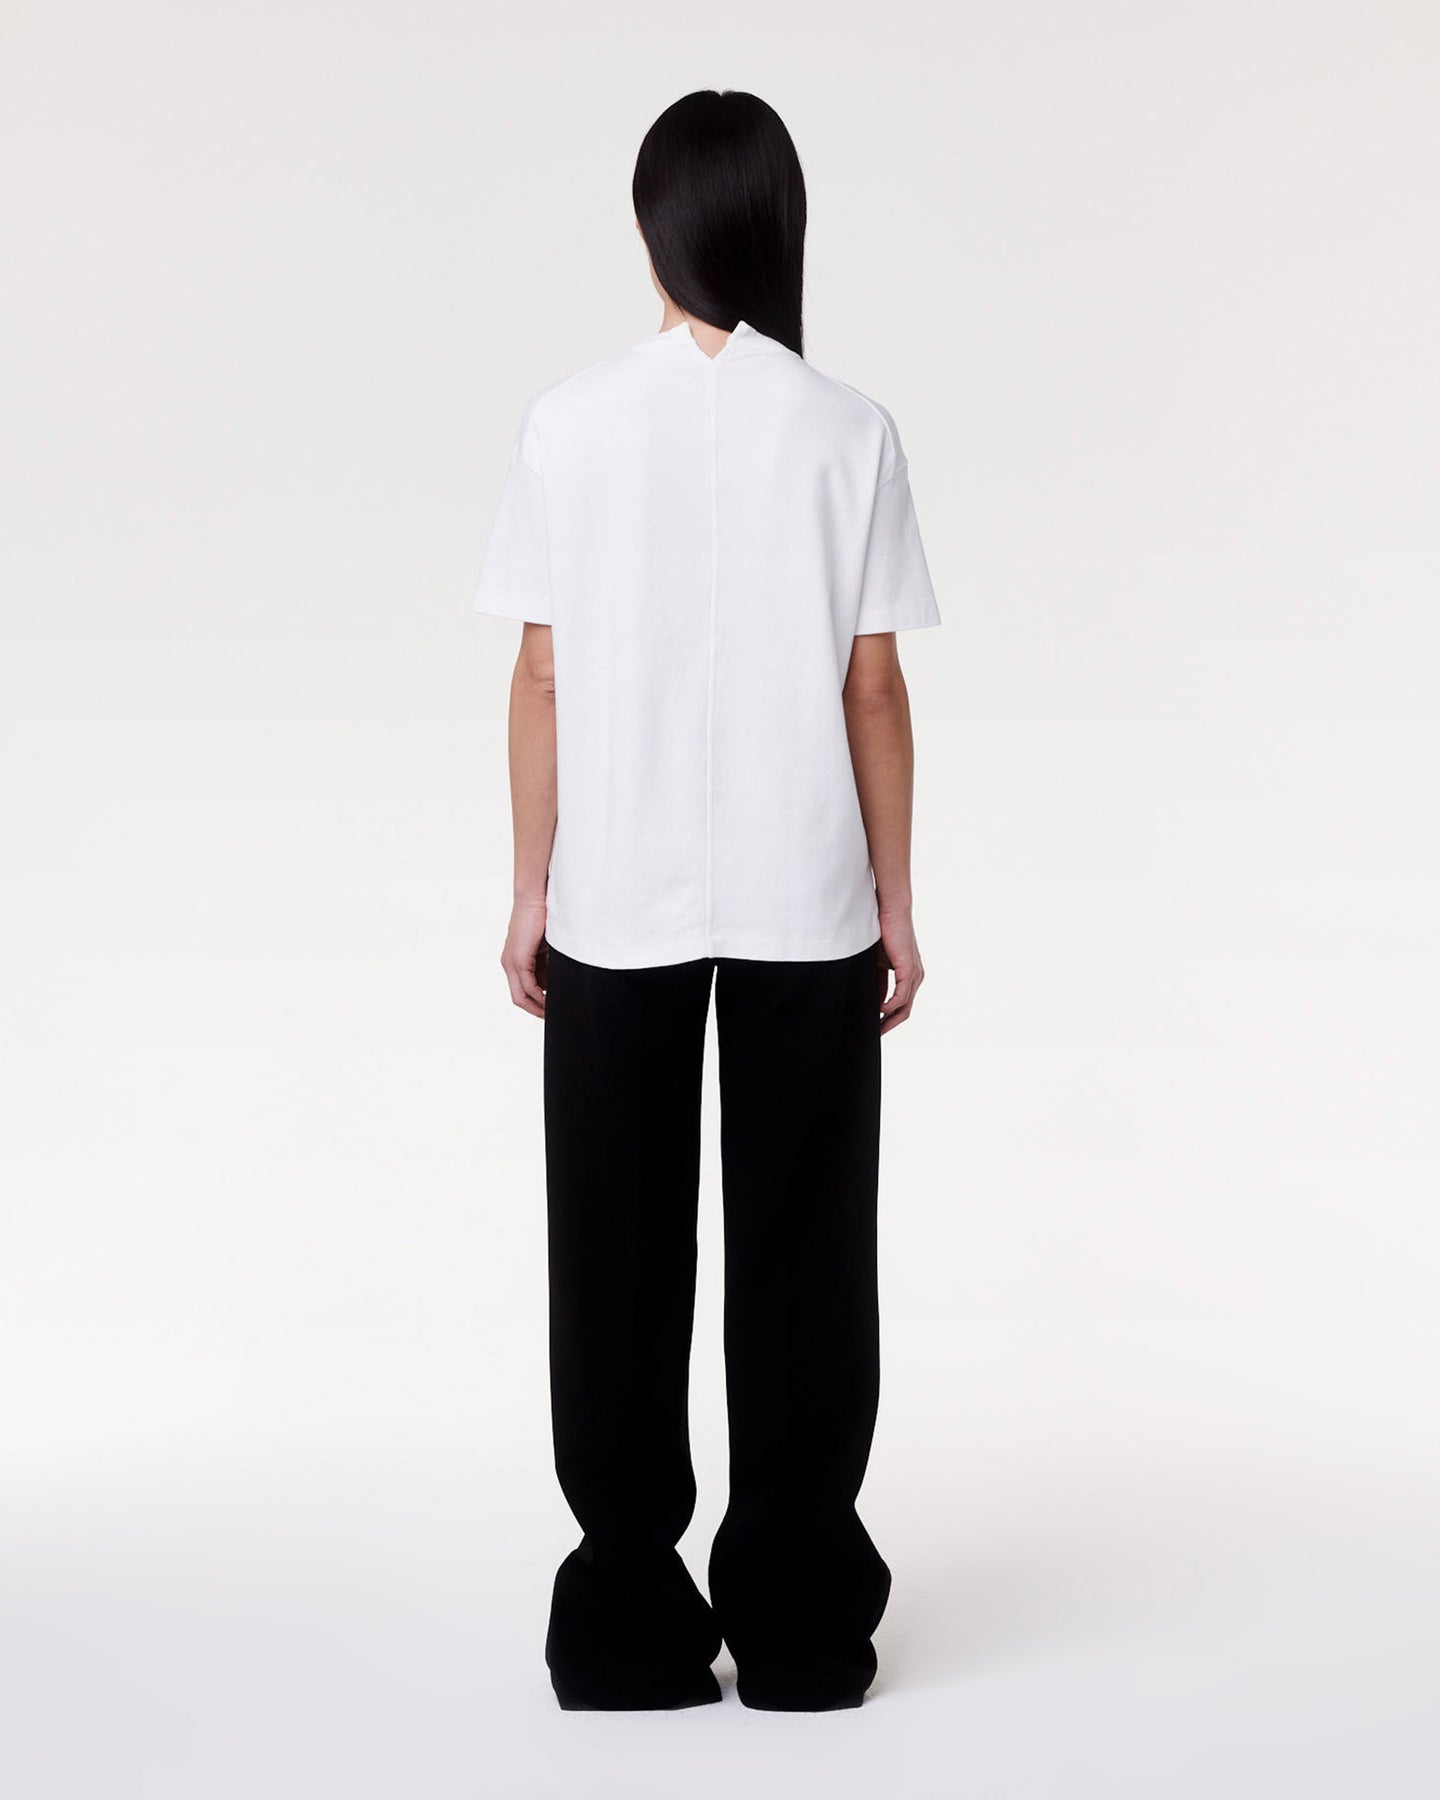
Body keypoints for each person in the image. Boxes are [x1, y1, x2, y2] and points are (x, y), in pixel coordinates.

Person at [471, 89, 941, 1713]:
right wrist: (895, 896)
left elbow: (542, 674)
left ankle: (624, 1617)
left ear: (653, 227)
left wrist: (529, 887)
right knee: (806, 1255)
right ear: (778, 226)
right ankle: (801, 1625)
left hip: (618, 892)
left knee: (614, 1252)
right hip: (809, 895)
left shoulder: (570, 423)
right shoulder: (852, 430)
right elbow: (871, 689)